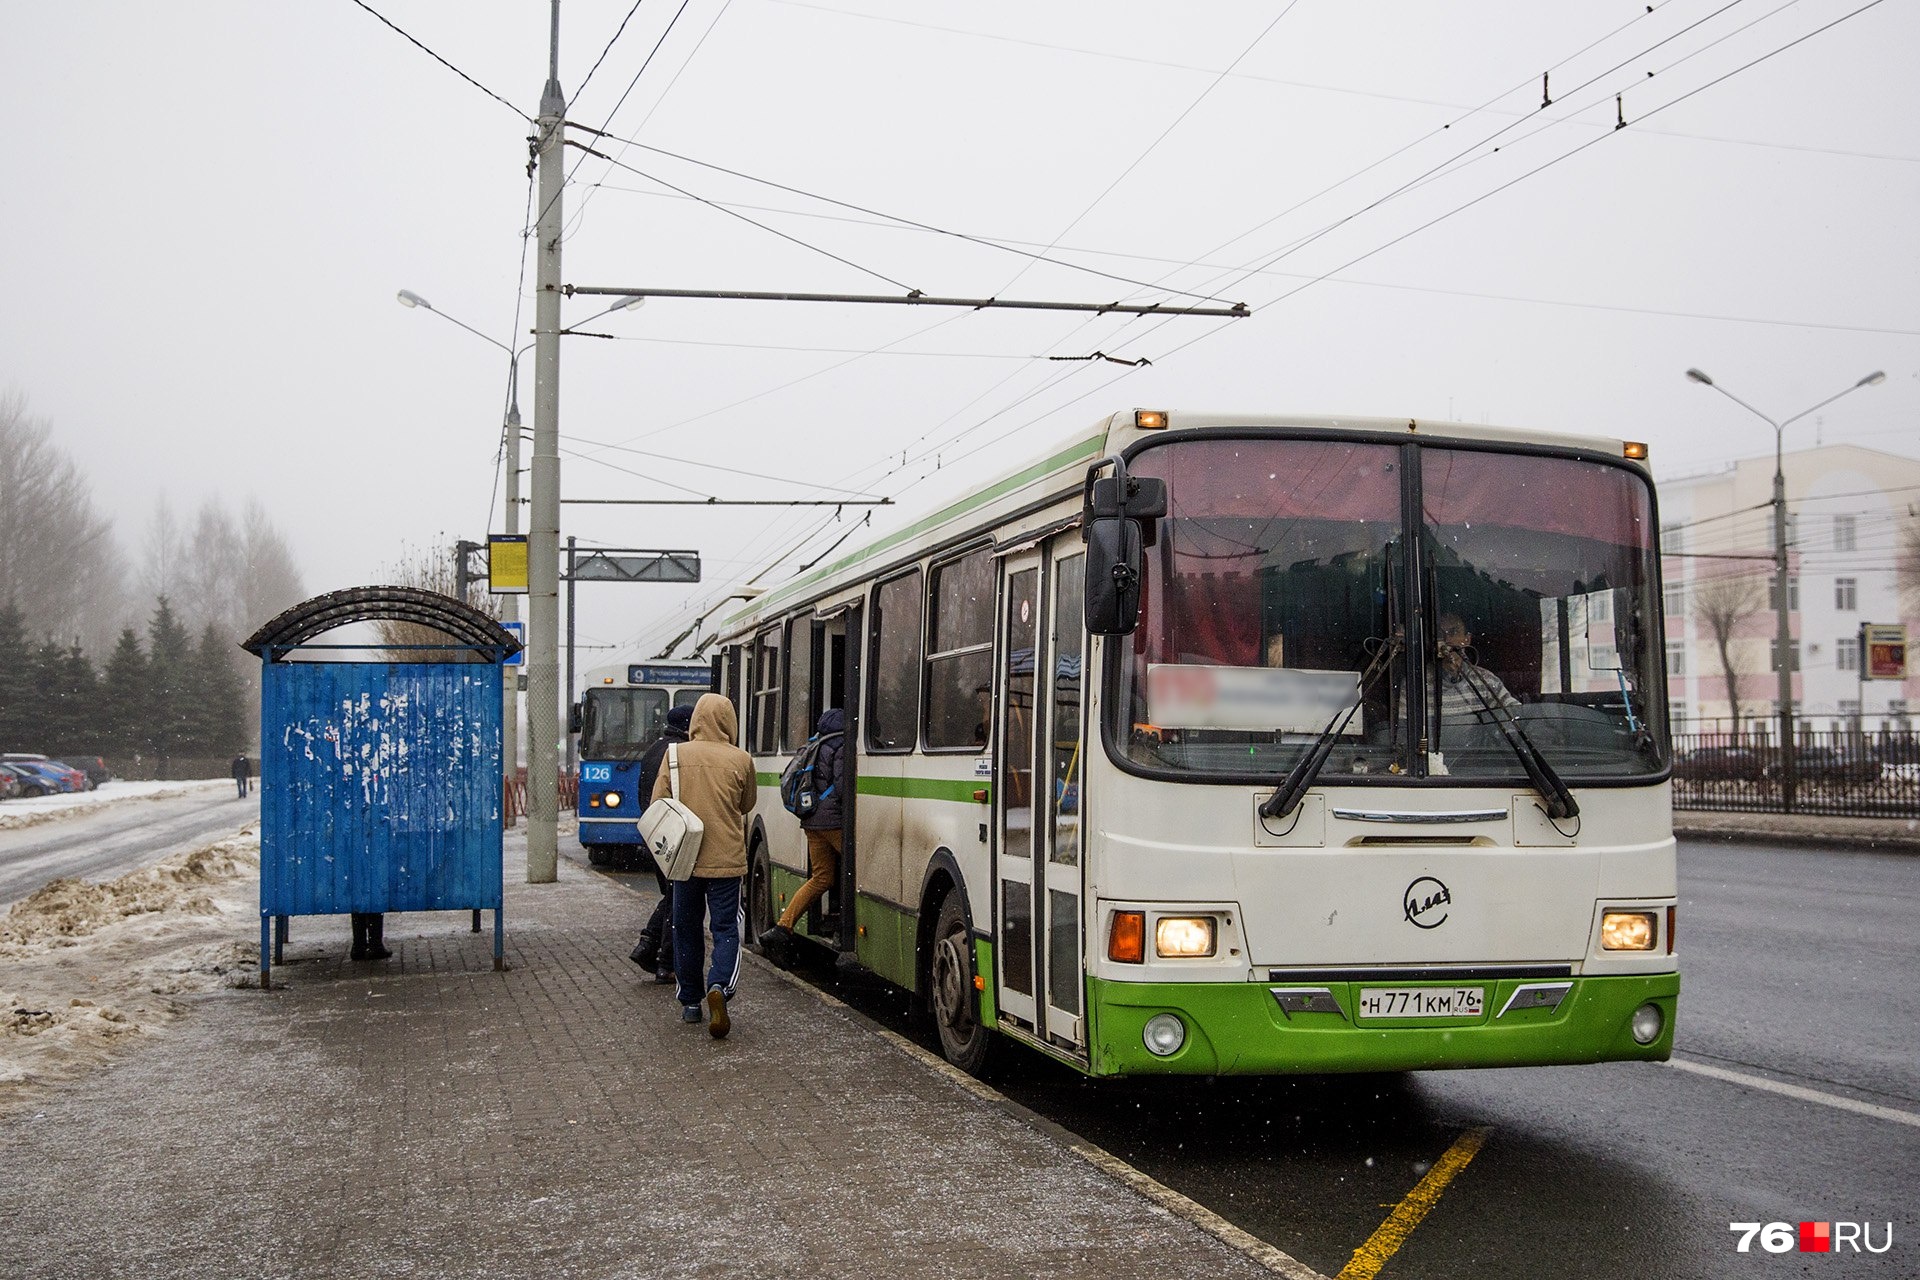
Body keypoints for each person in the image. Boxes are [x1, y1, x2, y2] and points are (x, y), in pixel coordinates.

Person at [651, 692, 756, 1039]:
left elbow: (658, 803)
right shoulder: (741, 759)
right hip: (726, 859)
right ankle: (720, 986)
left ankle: (691, 1002)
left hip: (685, 857)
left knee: (686, 926)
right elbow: (746, 805)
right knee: (726, 928)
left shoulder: (675, 755)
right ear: (729, 721)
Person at [757, 707, 846, 967]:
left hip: (811, 820)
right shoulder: (840, 745)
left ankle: (783, 927)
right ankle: (844, 927)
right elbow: (841, 787)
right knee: (856, 871)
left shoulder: (816, 744)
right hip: (832, 821)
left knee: (822, 877)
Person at [627, 704, 693, 984]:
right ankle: (664, 961)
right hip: (674, 836)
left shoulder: (654, 748)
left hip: (654, 833)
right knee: (677, 898)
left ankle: (647, 945)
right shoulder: (678, 753)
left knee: (671, 895)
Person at [1432, 613, 1520, 731]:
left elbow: (1516, 718)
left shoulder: (1486, 680)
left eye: (1453, 632)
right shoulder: (1417, 684)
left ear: (1467, 639)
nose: (1447, 640)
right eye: (1441, 634)